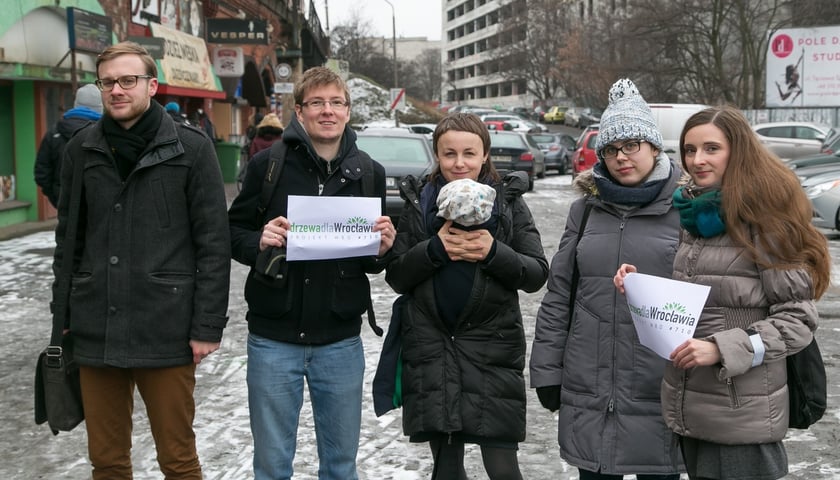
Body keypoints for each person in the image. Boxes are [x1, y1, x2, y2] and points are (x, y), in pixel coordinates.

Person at [614, 105, 831, 480]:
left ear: (739, 151)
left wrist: (721, 348)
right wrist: (639, 288)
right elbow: (708, 296)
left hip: (741, 414)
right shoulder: (696, 216)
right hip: (692, 406)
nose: (697, 160)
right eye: (689, 149)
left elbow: (797, 321)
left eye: (711, 148)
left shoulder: (765, 221)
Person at [52, 41, 231, 479]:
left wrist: (206, 327)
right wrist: (63, 319)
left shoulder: (191, 148)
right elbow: (68, 241)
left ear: (151, 85)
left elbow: (213, 243)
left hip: (165, 326)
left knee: (179, 460)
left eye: (128, 80)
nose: (117, 90)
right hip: (97, 325)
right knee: (108, 462)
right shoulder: (81, 149)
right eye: (108, 81)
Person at [227, 66, 396, 480]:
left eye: (336, 103)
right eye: (317, 103)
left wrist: (384, 249)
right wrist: (258, 240)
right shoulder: (267, 165)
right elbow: (231, 232)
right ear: (299, 112)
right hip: (273, 336)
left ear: (347, 112)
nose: (327, 111)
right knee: (271, 465)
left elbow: (369, 260)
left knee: (341, 465)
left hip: (338, 338)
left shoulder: (369, 172)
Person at [530, 79, 683, 480]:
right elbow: (559, 294)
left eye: (631, 145)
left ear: (654, 147)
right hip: (590, 386)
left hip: (659, 385)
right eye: (611, 149)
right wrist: (547, 369)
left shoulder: (685, 211)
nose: (621, 157)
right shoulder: (585, 212)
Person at [384, 112, 549, 480]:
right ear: (437, 155)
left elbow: (537, 272)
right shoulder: (419, 203)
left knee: (503, 467)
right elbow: (396, 275)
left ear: (485, 155)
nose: (459, 163)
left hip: (493, 350)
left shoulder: (507, 202)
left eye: (469, 154)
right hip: (433, 351)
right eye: (449, 154)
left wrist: (493, 252)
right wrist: (435, 250)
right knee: (446, 469)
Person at [34, 84, 103, 207]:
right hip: (99, 201)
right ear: (101, 106)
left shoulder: (54, 132)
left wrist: (56, 195)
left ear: (76, 103)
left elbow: (42, 172)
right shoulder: (106, 133)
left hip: (63, 198)